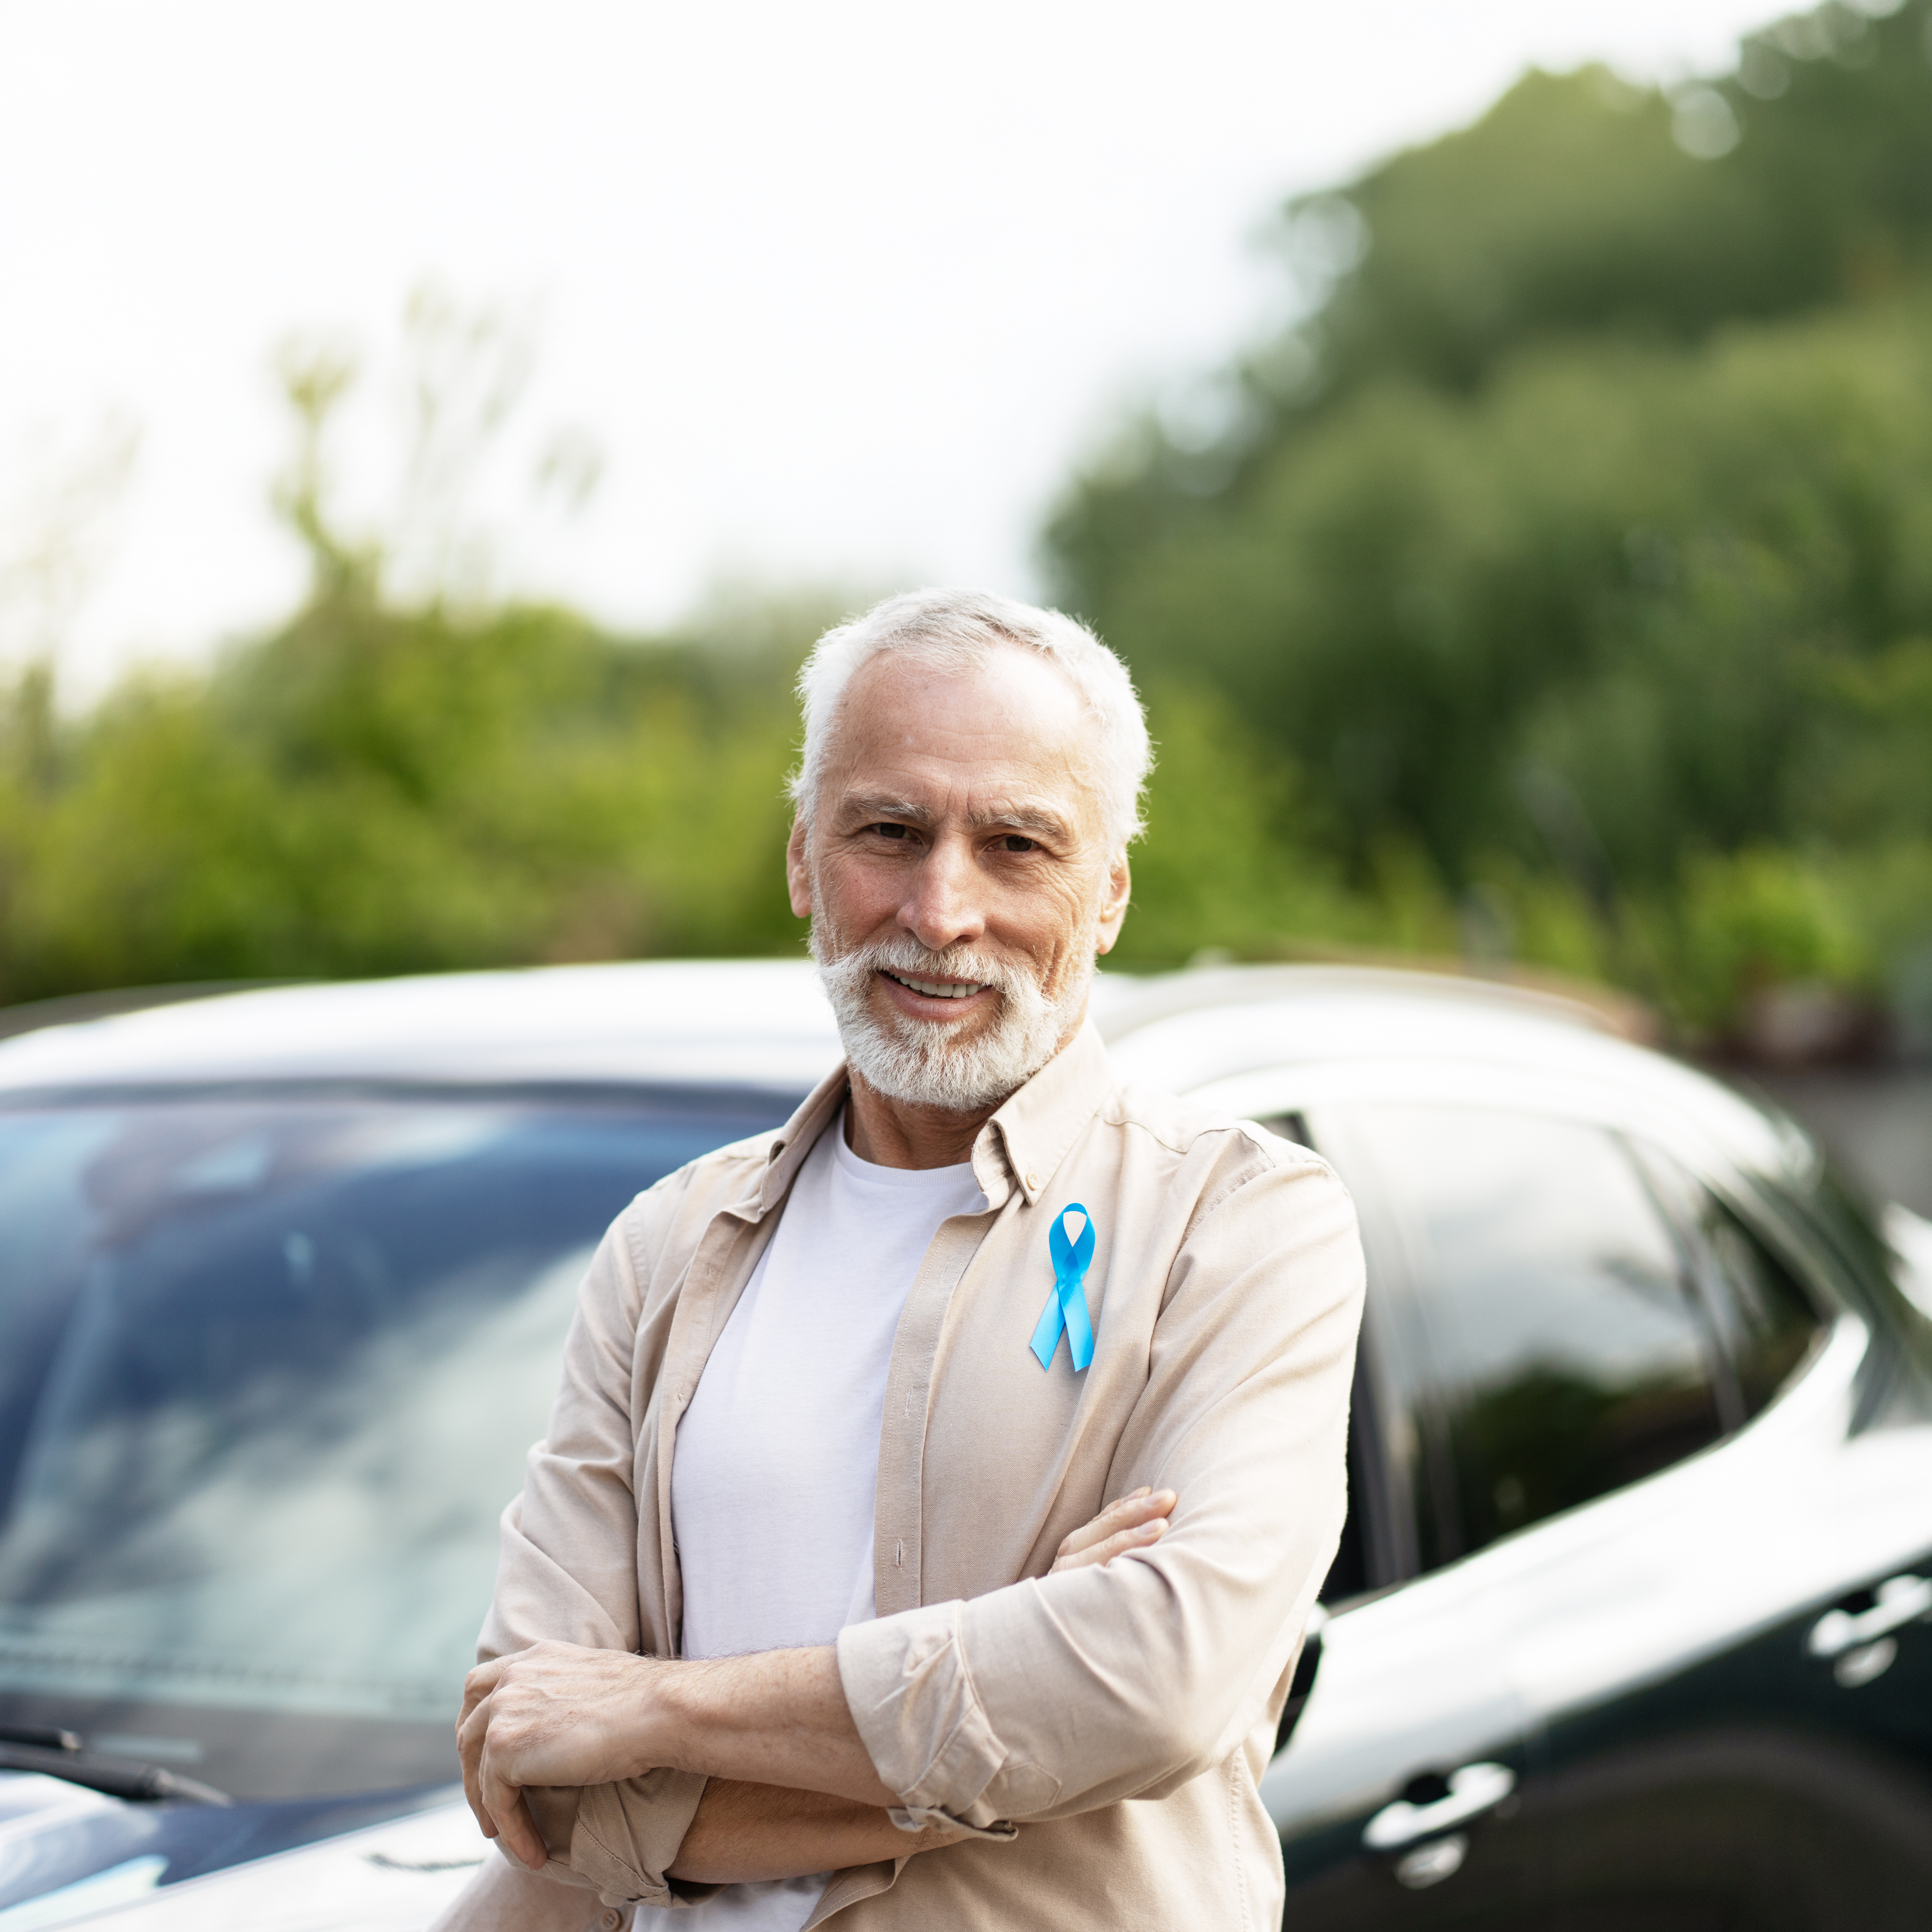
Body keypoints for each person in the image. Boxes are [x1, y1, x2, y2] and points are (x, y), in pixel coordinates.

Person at [438, 589, 1364, 1931]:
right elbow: (543, 1782)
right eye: (889, 830)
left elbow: (1159, 1680)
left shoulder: (1239, 1227)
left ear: (1106, 891)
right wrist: (1026, 1711)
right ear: (805, 860)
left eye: (1014, 844)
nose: (940, 910)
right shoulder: (665, 1248)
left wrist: (655, 1708)